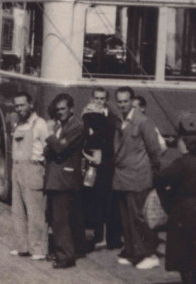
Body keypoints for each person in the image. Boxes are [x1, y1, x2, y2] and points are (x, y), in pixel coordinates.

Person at [112, 86, 163, 269]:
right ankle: (131, 251)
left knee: (139, 218)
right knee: (125, 218)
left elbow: (155, 151)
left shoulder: (143, 122)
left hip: (138, 178)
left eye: (126, 101)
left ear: (132, 101)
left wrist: (152, 174)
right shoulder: (119, 120)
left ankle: (147, 254)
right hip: (121, 177)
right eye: (119, 101)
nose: (122, 104)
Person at [154, 133, 196, 284]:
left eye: (181, 141)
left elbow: (160, 177)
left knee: (183, 250)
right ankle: (193, 280)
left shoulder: (182, 162)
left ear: (187, 145)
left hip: (184, 209)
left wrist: (166, 196)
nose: (178, 143)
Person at [44, 93, 86, 269]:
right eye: (57, 109)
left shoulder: (76, 125)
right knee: (58, 218)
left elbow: (61, 148)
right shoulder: (62, 125)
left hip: (65, 178)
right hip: (56, 177)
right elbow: (50, 150)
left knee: (61, 220)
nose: (59, 112)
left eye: (63, 109)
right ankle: (65, 250)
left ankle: (65, 256)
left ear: (71, 109)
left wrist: (50, 134)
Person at [9, 91, 49, 261]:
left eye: (22, 105)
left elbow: (48, 149)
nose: (19, 109)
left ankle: (38, 249)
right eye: (16, 105)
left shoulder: (39, 124)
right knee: (17, 210)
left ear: (31, 104)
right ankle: (22, 246)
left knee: (35, 211)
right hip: (17, 169)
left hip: (33, 169)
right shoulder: (18, 124)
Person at [81, 88, 121, 252]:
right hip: (92, 162)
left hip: (106, 164)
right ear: (91, 98)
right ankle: (95, 235)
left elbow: (106, 133)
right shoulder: (86, 115)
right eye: (96, 98)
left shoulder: (110, 117)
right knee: (92, 197)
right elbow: (86, 136)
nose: (98, 101)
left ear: (106, 100)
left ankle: (105, 238)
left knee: (105, 200)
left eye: (102, 98)